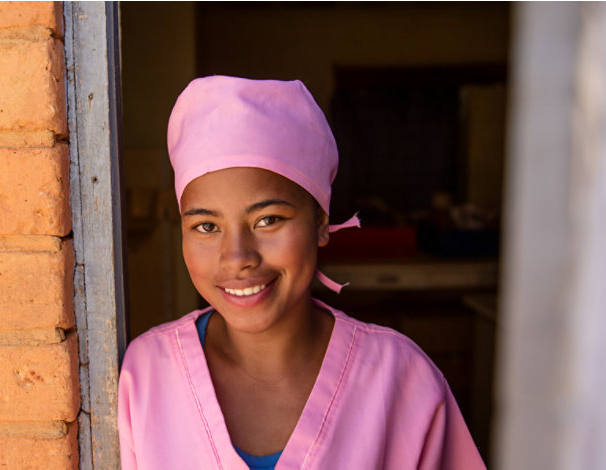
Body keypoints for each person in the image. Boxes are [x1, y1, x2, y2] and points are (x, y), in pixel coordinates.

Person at [118, 76, 485, 469]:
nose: (237, 257)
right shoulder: (147, 377)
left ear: (322, 222)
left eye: (268, 220)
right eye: (207, 226)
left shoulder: (401, 381)